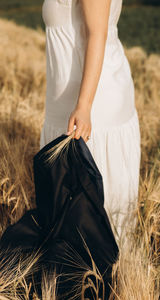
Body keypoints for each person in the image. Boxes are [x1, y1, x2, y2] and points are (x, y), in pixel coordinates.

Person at [40, 0, 141, 247]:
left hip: (95, 106)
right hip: (65, 107)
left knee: (100, 220)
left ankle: (112, 282)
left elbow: (97, 34)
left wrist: (84, 105)